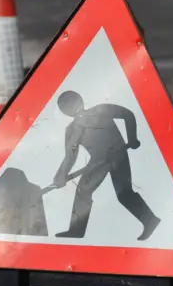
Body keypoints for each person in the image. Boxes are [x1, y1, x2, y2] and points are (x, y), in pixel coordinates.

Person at [52, 90, 161, 241]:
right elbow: (70, 156)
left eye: (68, 103)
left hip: (117, 154)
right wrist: (61, 175)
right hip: (97, 162)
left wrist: (132, 138)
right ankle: (76, 230)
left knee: (124, 194)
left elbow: (127, 114)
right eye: (63, 107)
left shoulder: (101, 110)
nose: (67, 108)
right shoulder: (71, 130)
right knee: (83, 191)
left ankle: (150, 220)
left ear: (79, 100)